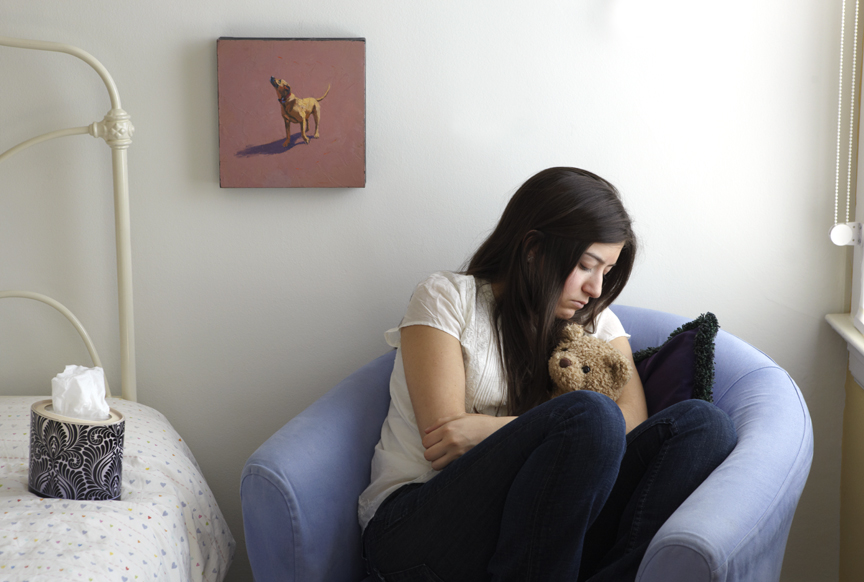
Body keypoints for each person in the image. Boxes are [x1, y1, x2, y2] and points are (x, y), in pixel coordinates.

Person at [358, 167, 737, 582]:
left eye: (606, 272)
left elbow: (633, 422)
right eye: (586, 266)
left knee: (704, 424)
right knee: (592, 416)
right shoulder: (447, 298)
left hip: (543, 527)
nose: (596, 289)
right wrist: (560, 426)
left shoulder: (598, 324)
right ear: (534, 248)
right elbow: (444, 441)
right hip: (420, 524)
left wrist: (490, 429)